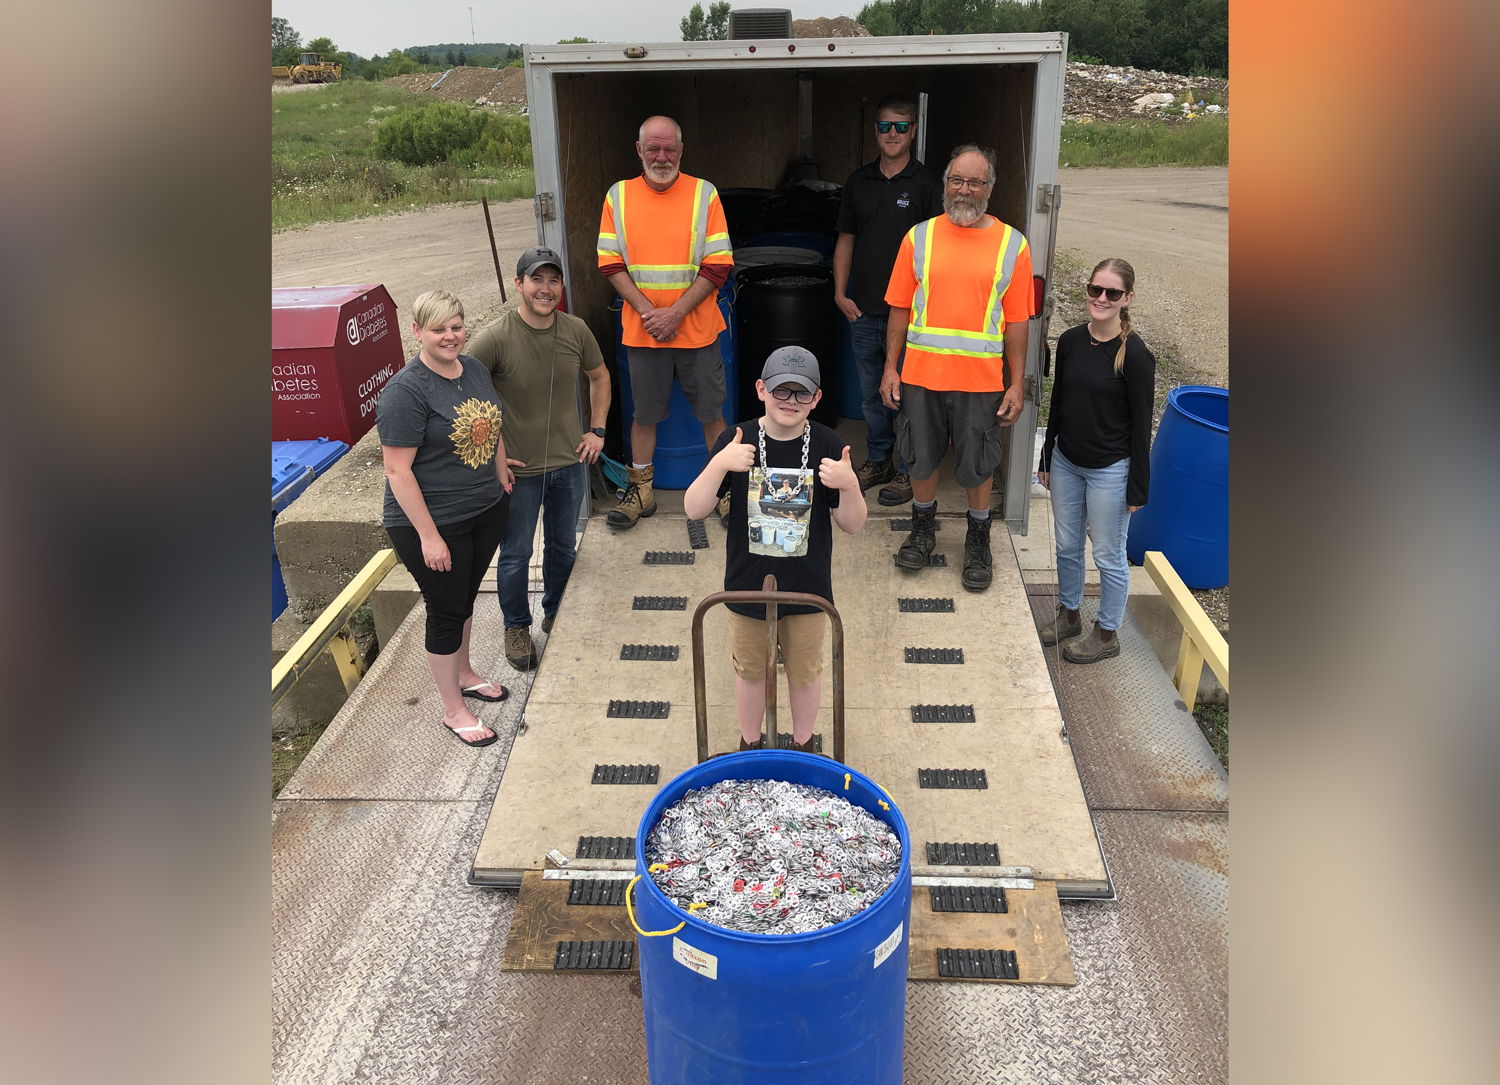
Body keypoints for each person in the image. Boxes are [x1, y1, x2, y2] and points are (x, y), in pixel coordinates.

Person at [685, 347, 867, 753]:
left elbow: (853, 524)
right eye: (781, 391)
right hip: (746, 586)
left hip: (808, 588)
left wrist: (849, 483)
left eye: (802, 394)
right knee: (750, 670)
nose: (790, 402)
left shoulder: (827, 443)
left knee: (805, 672)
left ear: (817, 398)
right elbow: (694, 508)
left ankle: (803, 744)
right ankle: (750, 743)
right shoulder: (737, 439)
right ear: (761, 389)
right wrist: (720, 465)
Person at [880, 145, 1035, 592]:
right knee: (919, 455)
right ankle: (924, 529)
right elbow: (899, 309)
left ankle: (978, 537)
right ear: (945, 184)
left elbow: (1018, 321)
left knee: (979, 463)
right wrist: (892, 368)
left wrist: (1017, 383)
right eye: (957, 181)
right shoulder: (919, 238)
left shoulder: (1012, 244)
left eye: (975, 182)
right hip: (921, 377)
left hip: (981, 383)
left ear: (990, 189)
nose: (964, 191)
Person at [378, 290, 524, 748]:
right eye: (438, 329)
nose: (450, 336)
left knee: (464, 597)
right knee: (445, 610)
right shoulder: (405, 391)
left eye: (456, 326)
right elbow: (397, 470)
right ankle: (453, 709)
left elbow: (492, 422)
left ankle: (463, 672)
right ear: (417, 332)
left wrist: (500, 470)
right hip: (432, 521)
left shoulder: (474, 368)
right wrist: (428, 536)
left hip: (483, 507)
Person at [468, 247, 610, 672]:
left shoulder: (576, 329)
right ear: (519, 285)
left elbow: (599, 376)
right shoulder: (494, 338)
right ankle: (516, 626)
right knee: (514, 554)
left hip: (569, 464)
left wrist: (597, 431)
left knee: (563, 546)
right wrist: (493, 453)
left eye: (553, 281)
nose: (545, 289)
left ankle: (556, 613)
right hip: (520, 471)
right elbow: (464, 391)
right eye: (536, 280)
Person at [597, 114, 735, 529]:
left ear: (681, 151)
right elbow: (609, 264)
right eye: (653, 148)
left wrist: (675, 313)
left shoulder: (703, 194)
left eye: (669, 148)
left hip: (697, 332)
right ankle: (641, 494)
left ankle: (724, 493)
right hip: (644, 333)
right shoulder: (618, 197)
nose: (661, 156)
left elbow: (718, 265)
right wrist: (648, 313)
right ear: (639, 150)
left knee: (713, 415)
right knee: (644, 416)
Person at [1037, 259, 1155, 663]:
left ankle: (1106, 633)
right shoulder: (1070, 341)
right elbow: (1057, 404)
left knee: (1108, 553)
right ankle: (1069, 613)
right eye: (1095, 290)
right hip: (1067, 462)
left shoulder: (1135, 356)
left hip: (1110, 470)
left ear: (1127, 299)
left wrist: (1138, 486)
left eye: (1112, 293)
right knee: (1067, 545)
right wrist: (1047, 456)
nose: (1101, 299)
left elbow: (1142, 425)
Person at [832, 93, 942, 508]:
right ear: (875, 131)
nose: (892, 134)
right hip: (863, 310)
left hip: (913, 316)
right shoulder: (858, 182)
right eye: (884, 126)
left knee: (911, 397)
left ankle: (908, 470)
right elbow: (846, 239)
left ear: (912, 131)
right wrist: (840, 293)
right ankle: (878, 459)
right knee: (871, 395)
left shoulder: (928, 184)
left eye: (900, 126)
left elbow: (939, 250)